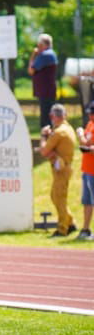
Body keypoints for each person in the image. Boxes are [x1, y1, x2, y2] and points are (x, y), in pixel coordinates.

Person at [39, 103, 77, 237]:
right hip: (64, 167)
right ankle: (70, 222)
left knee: (59, 199)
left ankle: (62, 228)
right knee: (55, 196)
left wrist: (43, 136)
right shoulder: (67, 128)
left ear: (52, 116)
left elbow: (44, 151)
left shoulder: (58, 132)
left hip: (61, 169)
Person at [28, 33, 58, 129]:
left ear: (41, 44)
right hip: (48, 90)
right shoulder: (51, 53)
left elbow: (31, 70)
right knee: (49, 115)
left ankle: (47, 136)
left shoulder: (45, 55)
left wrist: (33, 55)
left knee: (45, 119)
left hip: (45, 91)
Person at [75, 103, 94, 240]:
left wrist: (80, 135)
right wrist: (82, 136)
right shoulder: (90, 124)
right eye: (89, 113)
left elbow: (87, 144)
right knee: (87, 201)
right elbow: (85, 143)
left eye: (92, 113)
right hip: (87, 169)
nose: (90, 115)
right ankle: (85, 229)